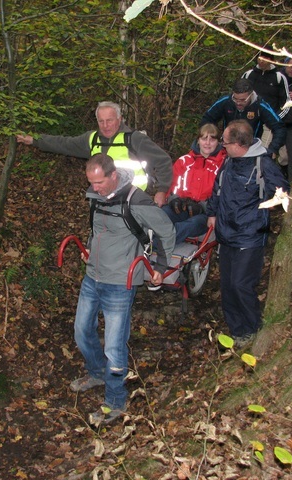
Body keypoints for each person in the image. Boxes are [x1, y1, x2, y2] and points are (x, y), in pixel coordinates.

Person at [70, 154, 175, 425]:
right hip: (93, 276)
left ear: (113, 175)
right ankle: (96, 373)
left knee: (114, 347)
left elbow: (166, 231)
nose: (95, 187)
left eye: (100, 182)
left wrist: (160, 267)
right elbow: (97, 229)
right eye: (91, 182)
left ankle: (115, 401)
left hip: (120, 283)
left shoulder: (136, 200)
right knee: (82, 332)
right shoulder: (95, 196)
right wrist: (91, 249)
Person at [205, 120, 292, 348]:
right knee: (227, 287)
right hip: (225, 236)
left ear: (239, 143)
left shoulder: (262, 165)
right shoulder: (229, 162)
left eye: (225, 142)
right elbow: (218, 189)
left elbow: (283, 192)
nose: (222, 147)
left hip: (250, 236)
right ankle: (237, 332)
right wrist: (212, 213)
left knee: (241, 285)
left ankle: (252, 329)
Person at [16, 101, 173, 206]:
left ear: (120, 119)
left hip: (133, 199)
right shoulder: (92, 139)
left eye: (109, 120)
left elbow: (163, 161)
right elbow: (64, 144)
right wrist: (34, 140)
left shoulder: (134, 139)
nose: (105, 125)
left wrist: (161, 191)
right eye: (101, 121)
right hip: (103, 199)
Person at [163, 123, 227, 244]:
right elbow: (173, 184)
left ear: (218, 142)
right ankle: (146, 243)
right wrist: (174, 199)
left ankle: (158, 245)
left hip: (205, 215)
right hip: (182, 207)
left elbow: (224, 193)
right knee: (161, 215)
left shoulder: (224, 164)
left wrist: (205, 207)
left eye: (212, 139)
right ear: (198, 140)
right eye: (204, 138)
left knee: (189, 225)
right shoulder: (184, 161)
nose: (207, 143)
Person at [201, 78, 286, 158]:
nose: (238, 103)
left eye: (242, 100)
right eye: (235, 99)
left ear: (251, 95)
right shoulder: (226, 101)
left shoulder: (260, 106)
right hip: (226, 149)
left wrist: (272, 149)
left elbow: (279, 127)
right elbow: (207, 119)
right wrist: (212, 140)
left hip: (250, 150)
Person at [242, 54, 292, 149]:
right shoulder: (248, 75)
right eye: (260, 58)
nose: (262, 61)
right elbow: (238, 96)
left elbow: (287, 102)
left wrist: (275, 118)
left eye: (265, 58)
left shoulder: (279, 77)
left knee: (265, 150)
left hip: (268, 123)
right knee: (245, 148)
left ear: (271, 60)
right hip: (249, 119)